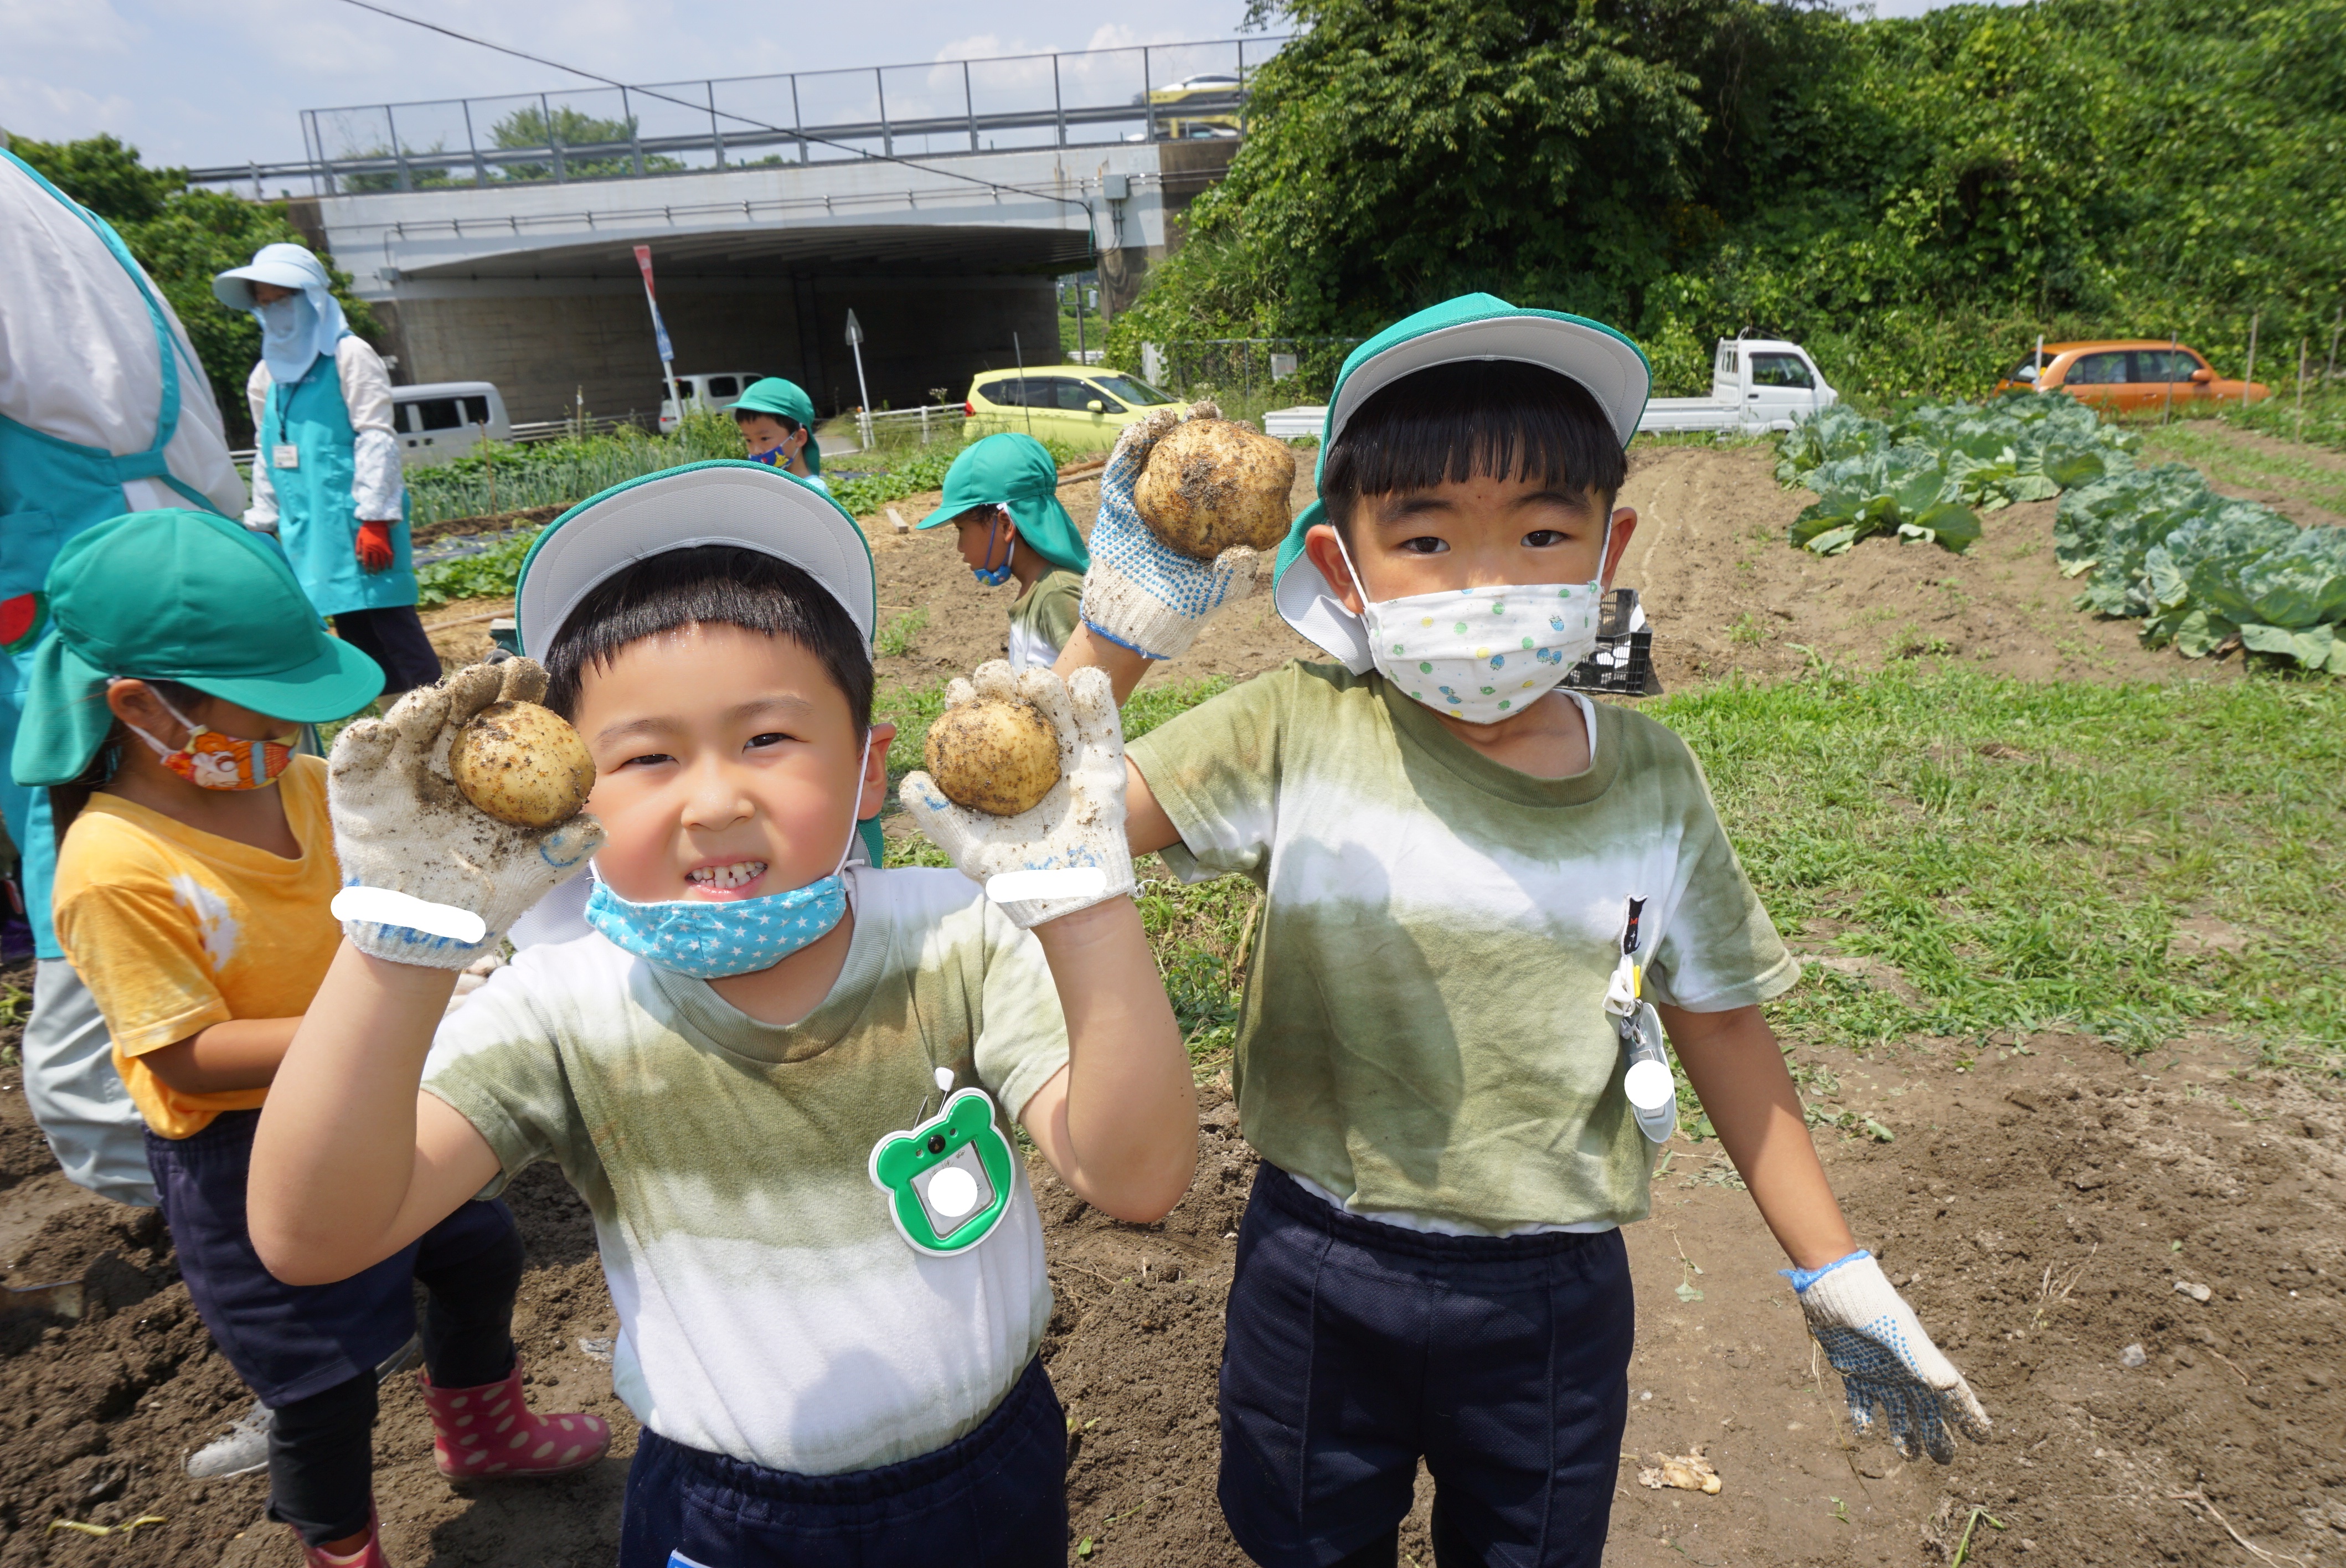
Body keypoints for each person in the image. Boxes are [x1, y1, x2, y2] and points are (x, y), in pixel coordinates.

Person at [1055, 295, 1991, 1567]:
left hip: (1550, 1291)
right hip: (1320, 1263)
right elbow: (1051, 807)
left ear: (1608, 554)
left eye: (1543, 532)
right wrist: (1121, 624)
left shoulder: (1651, 779)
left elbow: (1719, 1020)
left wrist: (1836, 1270)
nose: (1488, 583)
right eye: (1427, 537)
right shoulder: (1293, 730)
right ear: (1343, 566)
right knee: (1305, 1544)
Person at [246, 461, 1197, 1566]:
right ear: (567, 797)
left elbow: (1137, 1177)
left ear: (869, 769)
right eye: (646, 757)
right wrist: (397, 945)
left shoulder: (952, 935)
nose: (715, 799)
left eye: (767, 740)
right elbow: (314, 1236)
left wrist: (1083, 913)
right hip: (731, 1517)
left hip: (991, 1472)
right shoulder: (564, 1009)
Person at [17, 507, 606, 1568]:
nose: (294, 740)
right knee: (322, 1381)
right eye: (270, 714)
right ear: (142, 708)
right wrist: (401, 1008)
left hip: (380, 1095)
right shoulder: (116, 865)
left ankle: (480, 1434)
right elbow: (180, 1056)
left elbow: (400, 891)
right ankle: (343, 1547)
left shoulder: (304, 786)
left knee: (478, 1250)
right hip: (240, 1157)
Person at [0, 148, 246, 1215]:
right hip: (121, 581)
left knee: (119, 976)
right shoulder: (52, 213)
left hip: (88, 597)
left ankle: (212, 1210)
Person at [214, 244, 442, 702]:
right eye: (263, 302)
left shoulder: (348, 356)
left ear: (312, 299)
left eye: (282, 299)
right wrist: (263, 519)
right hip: (308, 531)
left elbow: (375, 435)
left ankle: (439, 723)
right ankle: (395, 734)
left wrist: (376, 517)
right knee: (355, 632)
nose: (273, 311)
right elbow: (266, 450)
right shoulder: (266, 375)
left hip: (357, 525)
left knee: (393, 627)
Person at [918, 432, 1090, 668]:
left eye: (961, 529)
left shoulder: (1057, 595)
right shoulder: (1037, 591)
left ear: (1006, 524)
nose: (959, 548)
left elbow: (1093, 692)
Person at [731, 375, 831, 492]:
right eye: (748, 440)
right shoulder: (758, 488)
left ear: (799, 438)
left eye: (764, 439)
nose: (756, 451)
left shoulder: (812, 492)